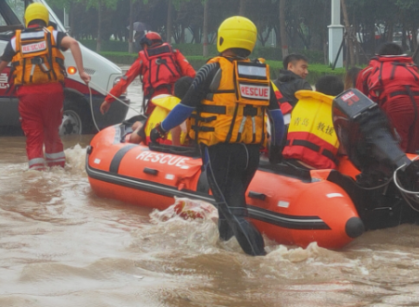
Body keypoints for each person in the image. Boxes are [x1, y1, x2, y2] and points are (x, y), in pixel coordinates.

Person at [150, 16, 285, 257]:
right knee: (229, 206)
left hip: (221, 150)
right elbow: (276, 116)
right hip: (250, 153)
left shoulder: (211, 68)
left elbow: (184, 107)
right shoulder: (260, 72)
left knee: (233, 210)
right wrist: (276, 148)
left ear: (223, 38)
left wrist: (159, 128)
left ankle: (261, 262)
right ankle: (225, 253)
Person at [0, 3, 91, 171]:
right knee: (52, 133)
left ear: (27, 20)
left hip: (28, 95)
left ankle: (36, 177)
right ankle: (58, 172)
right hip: (53, 93)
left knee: (34, 137)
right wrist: (82, 72)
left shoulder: (15, 40)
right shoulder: (53, 35)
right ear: (45, 19)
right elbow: (74, 44)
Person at [355, 42, 419, 153]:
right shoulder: (411, 68)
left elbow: (360, 106)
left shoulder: (368, 71)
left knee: (396, 151)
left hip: (397, 106)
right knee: (415, 149)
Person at [100, 31, 196, 116]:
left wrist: (108, 100)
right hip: (175, 100)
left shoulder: (143, 58)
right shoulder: (174, 53)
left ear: (147, 44)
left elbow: (125, 80)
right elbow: (192, 74)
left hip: (154, 102)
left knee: (148, 127)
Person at [282, 76, 345, 169]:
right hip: (319, 168)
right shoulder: (340, 114)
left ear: (316, 90)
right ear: (340, 95)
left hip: (290, 160)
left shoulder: (301, 103)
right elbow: (343, 151)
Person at [126, 76, 193, 145]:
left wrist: (139, 128)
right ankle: (140, 126)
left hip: (153, 144)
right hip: (173, 150)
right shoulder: (192, 113)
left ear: (173, 92)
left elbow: (134, 139)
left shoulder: (160, 107)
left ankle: (139, 127)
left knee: (140, 129)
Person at [273, 54, 312, 123]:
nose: (306, 72)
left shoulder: (273, 84)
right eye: (303, 68)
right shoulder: (303, 84)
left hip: (276, 126)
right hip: (296, 126)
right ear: (290, 66)